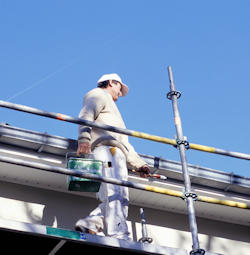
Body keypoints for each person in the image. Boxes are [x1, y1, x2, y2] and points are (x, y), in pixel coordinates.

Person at [75, 73, 151, 240]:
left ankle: (90, 224)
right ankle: (119, 233)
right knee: (115, 192)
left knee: (114, 196)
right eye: (119, 88)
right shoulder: (98, 94)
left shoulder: (113, 112)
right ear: (111, 82)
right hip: (107, 152)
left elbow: (124, 143)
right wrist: (84, 139)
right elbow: (86, 115)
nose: (121, 93)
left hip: (114, 152)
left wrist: (140, 165)